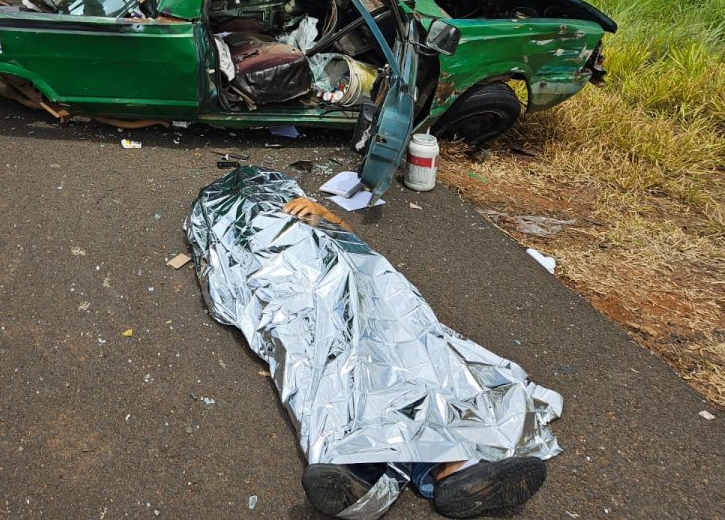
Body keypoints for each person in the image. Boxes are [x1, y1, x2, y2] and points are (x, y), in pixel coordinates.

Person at [186, 168, 560, 520]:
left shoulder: (308, 209)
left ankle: (440, 470)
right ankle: (388, 466)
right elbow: (222, 274)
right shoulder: (221, 218)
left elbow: (357, 246)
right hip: (293, 287)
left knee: (409, 340)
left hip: (360, 279)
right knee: (326, 355)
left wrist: (324, 216)